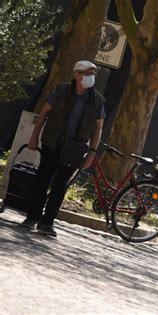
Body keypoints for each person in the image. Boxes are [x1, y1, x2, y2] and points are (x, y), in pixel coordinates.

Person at [20, 60, 105, 237]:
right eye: (87, 73)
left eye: (93, 74)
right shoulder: (61, 91)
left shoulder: (97, 100)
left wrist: (92, 152)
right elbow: (43, 113)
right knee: (42, 180)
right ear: (77, 74)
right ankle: (32, 218)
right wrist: (34, 138)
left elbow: (98, 128)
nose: (90, 77)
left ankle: (47, 222)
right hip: (53, 143)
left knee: (60, 186)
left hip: (75, 149)